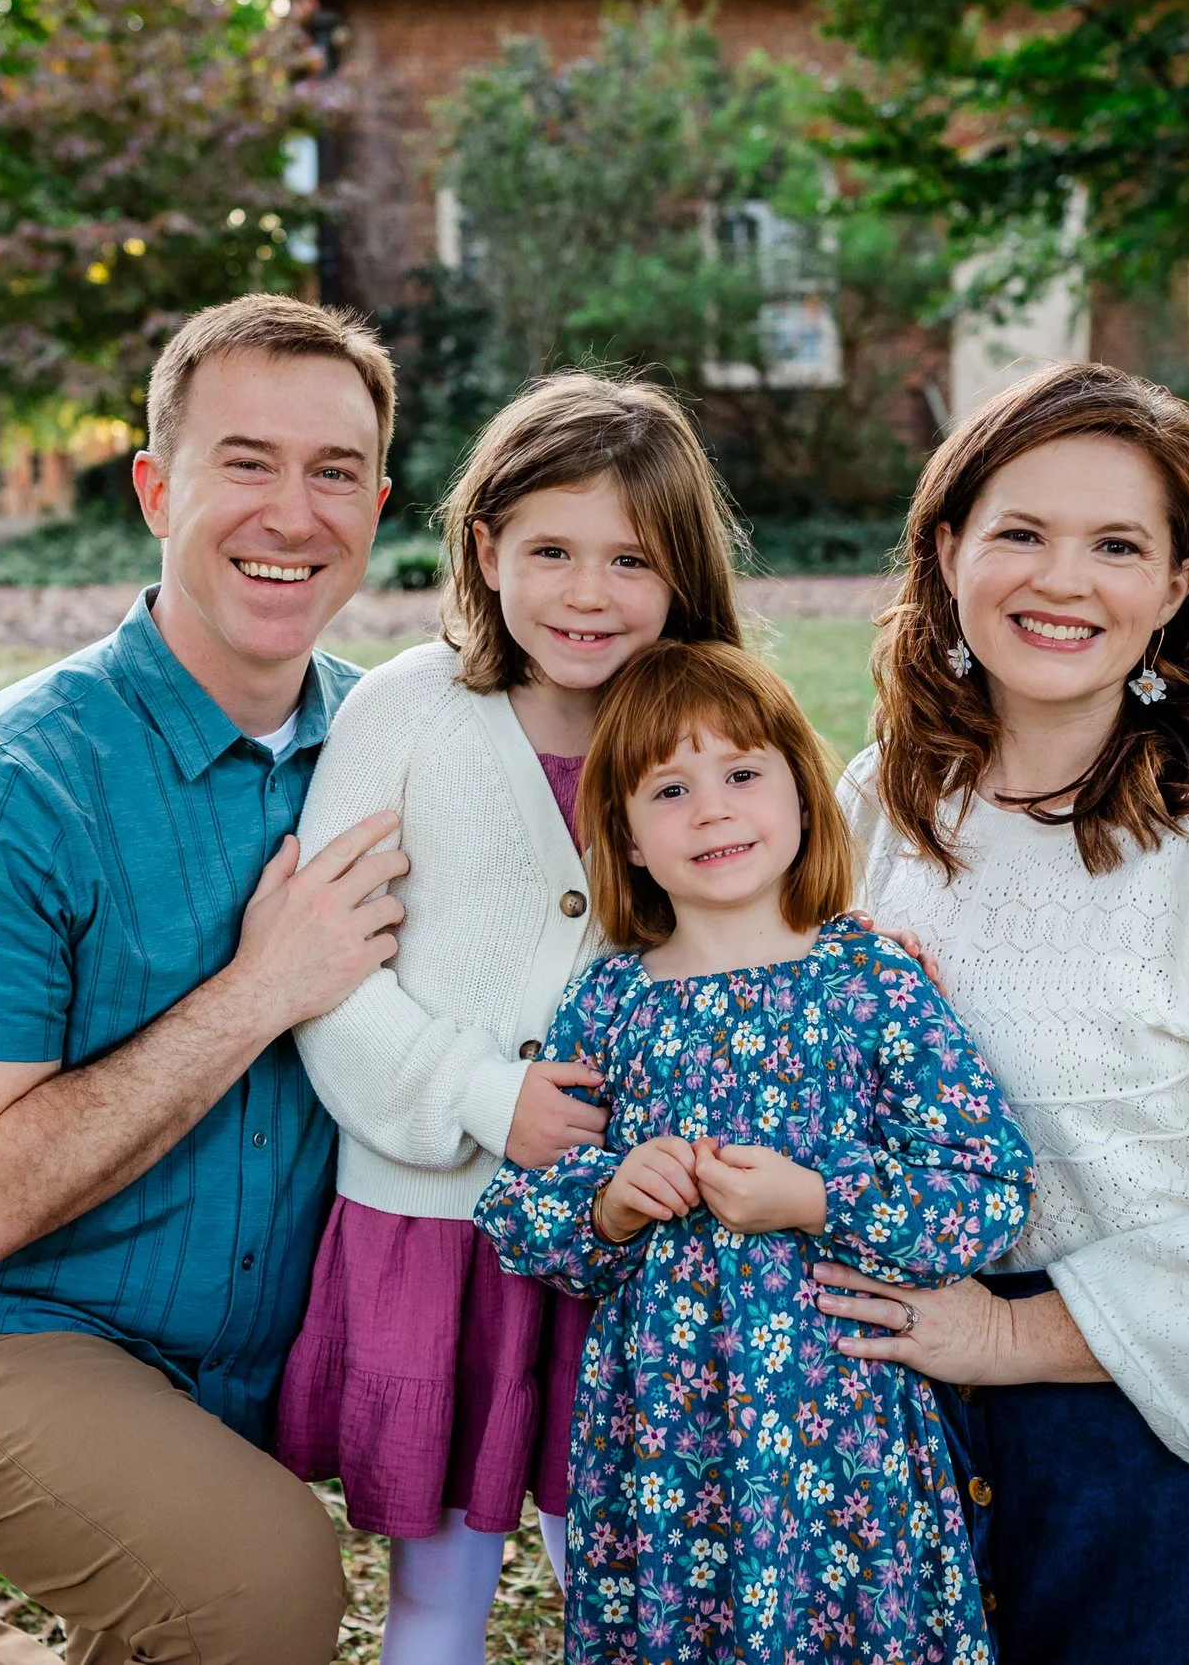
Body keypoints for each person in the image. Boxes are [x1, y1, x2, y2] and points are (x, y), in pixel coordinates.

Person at [0, 295, 407, 1665]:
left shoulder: (399, 750)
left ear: (379, 503)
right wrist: (259, 986)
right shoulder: (1, 787)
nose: (292, 512)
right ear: (157, 490)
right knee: (268, 1587)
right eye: (246, 462)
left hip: (256, 1356)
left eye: (333, 470)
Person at [812, 361, 1189, 1664]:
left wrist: (1010, 1332)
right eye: (1021, 531)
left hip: (1167, 1446)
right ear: (946, 546)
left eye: (1117, 544)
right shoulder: (884, 795)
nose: (1062, 578)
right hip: (914, 1428)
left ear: (1176, 586)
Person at [272, 374, 748, 1665]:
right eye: (550, 550)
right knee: (437, 1591)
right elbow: (326, 979)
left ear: (680, 572)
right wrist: (490, 1097)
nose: (588, 594)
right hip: (436, 1228)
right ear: (486, 549)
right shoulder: (406, 715)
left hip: (629, 1236)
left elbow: (752, 929)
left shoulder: (700, 734)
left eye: (630, 559)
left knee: (620, 1568)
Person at [474, 641, 1036, 1665]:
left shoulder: (869, 981)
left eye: (741, 774)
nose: (713, 810)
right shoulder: (610, 1000)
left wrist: (817, 1197)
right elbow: (519, 1211)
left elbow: (984, 1186)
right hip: (668, 1429)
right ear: (627, 838)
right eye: (669, 789)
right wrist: (611, 1199)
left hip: (845, 1416)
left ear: (801, 793)